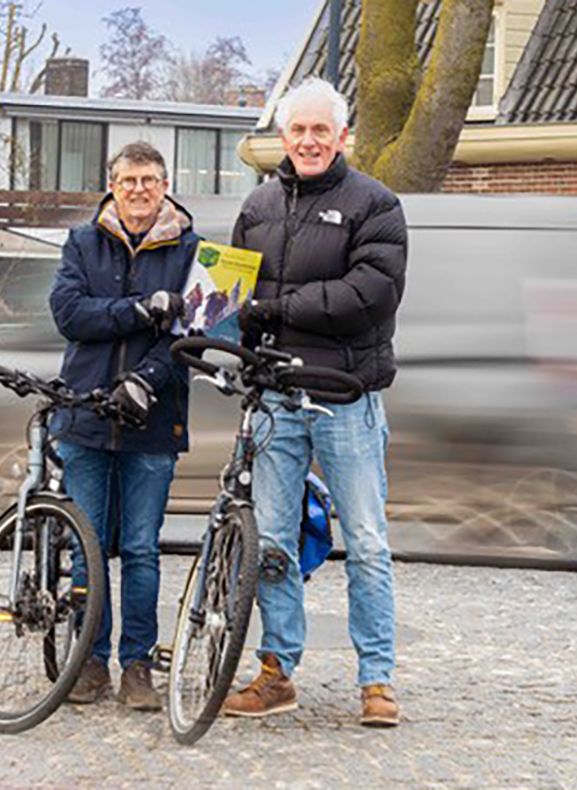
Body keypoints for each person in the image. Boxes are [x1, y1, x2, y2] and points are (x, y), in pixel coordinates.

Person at [220, 77, 408, 727]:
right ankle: (277, 672)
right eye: (297, 130)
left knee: (365, 540)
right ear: (282, 136)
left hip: (345, 399)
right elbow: (226, 300)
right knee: (271, 539)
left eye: (320, 130)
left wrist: (276, 308)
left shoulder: (376, 205)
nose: (307, 140)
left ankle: (377, 681)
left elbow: (371, 294)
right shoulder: (257, 206)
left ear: (342, 137)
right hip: (276, 399)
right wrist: (207, 330)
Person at [48, 141, 196, 711]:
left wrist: (147, 379)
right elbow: (69, 314)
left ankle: (138, 665)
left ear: (165, 185)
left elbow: (187, 333)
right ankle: (89, 660)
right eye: (129, 179)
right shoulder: (83, 242)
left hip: (153, 422)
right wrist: (138, 310)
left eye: (150, 179)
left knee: (140, 549)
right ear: (112, 185)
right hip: (85, 414)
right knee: (89, 548)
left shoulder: (190, 250)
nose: (139, 189)